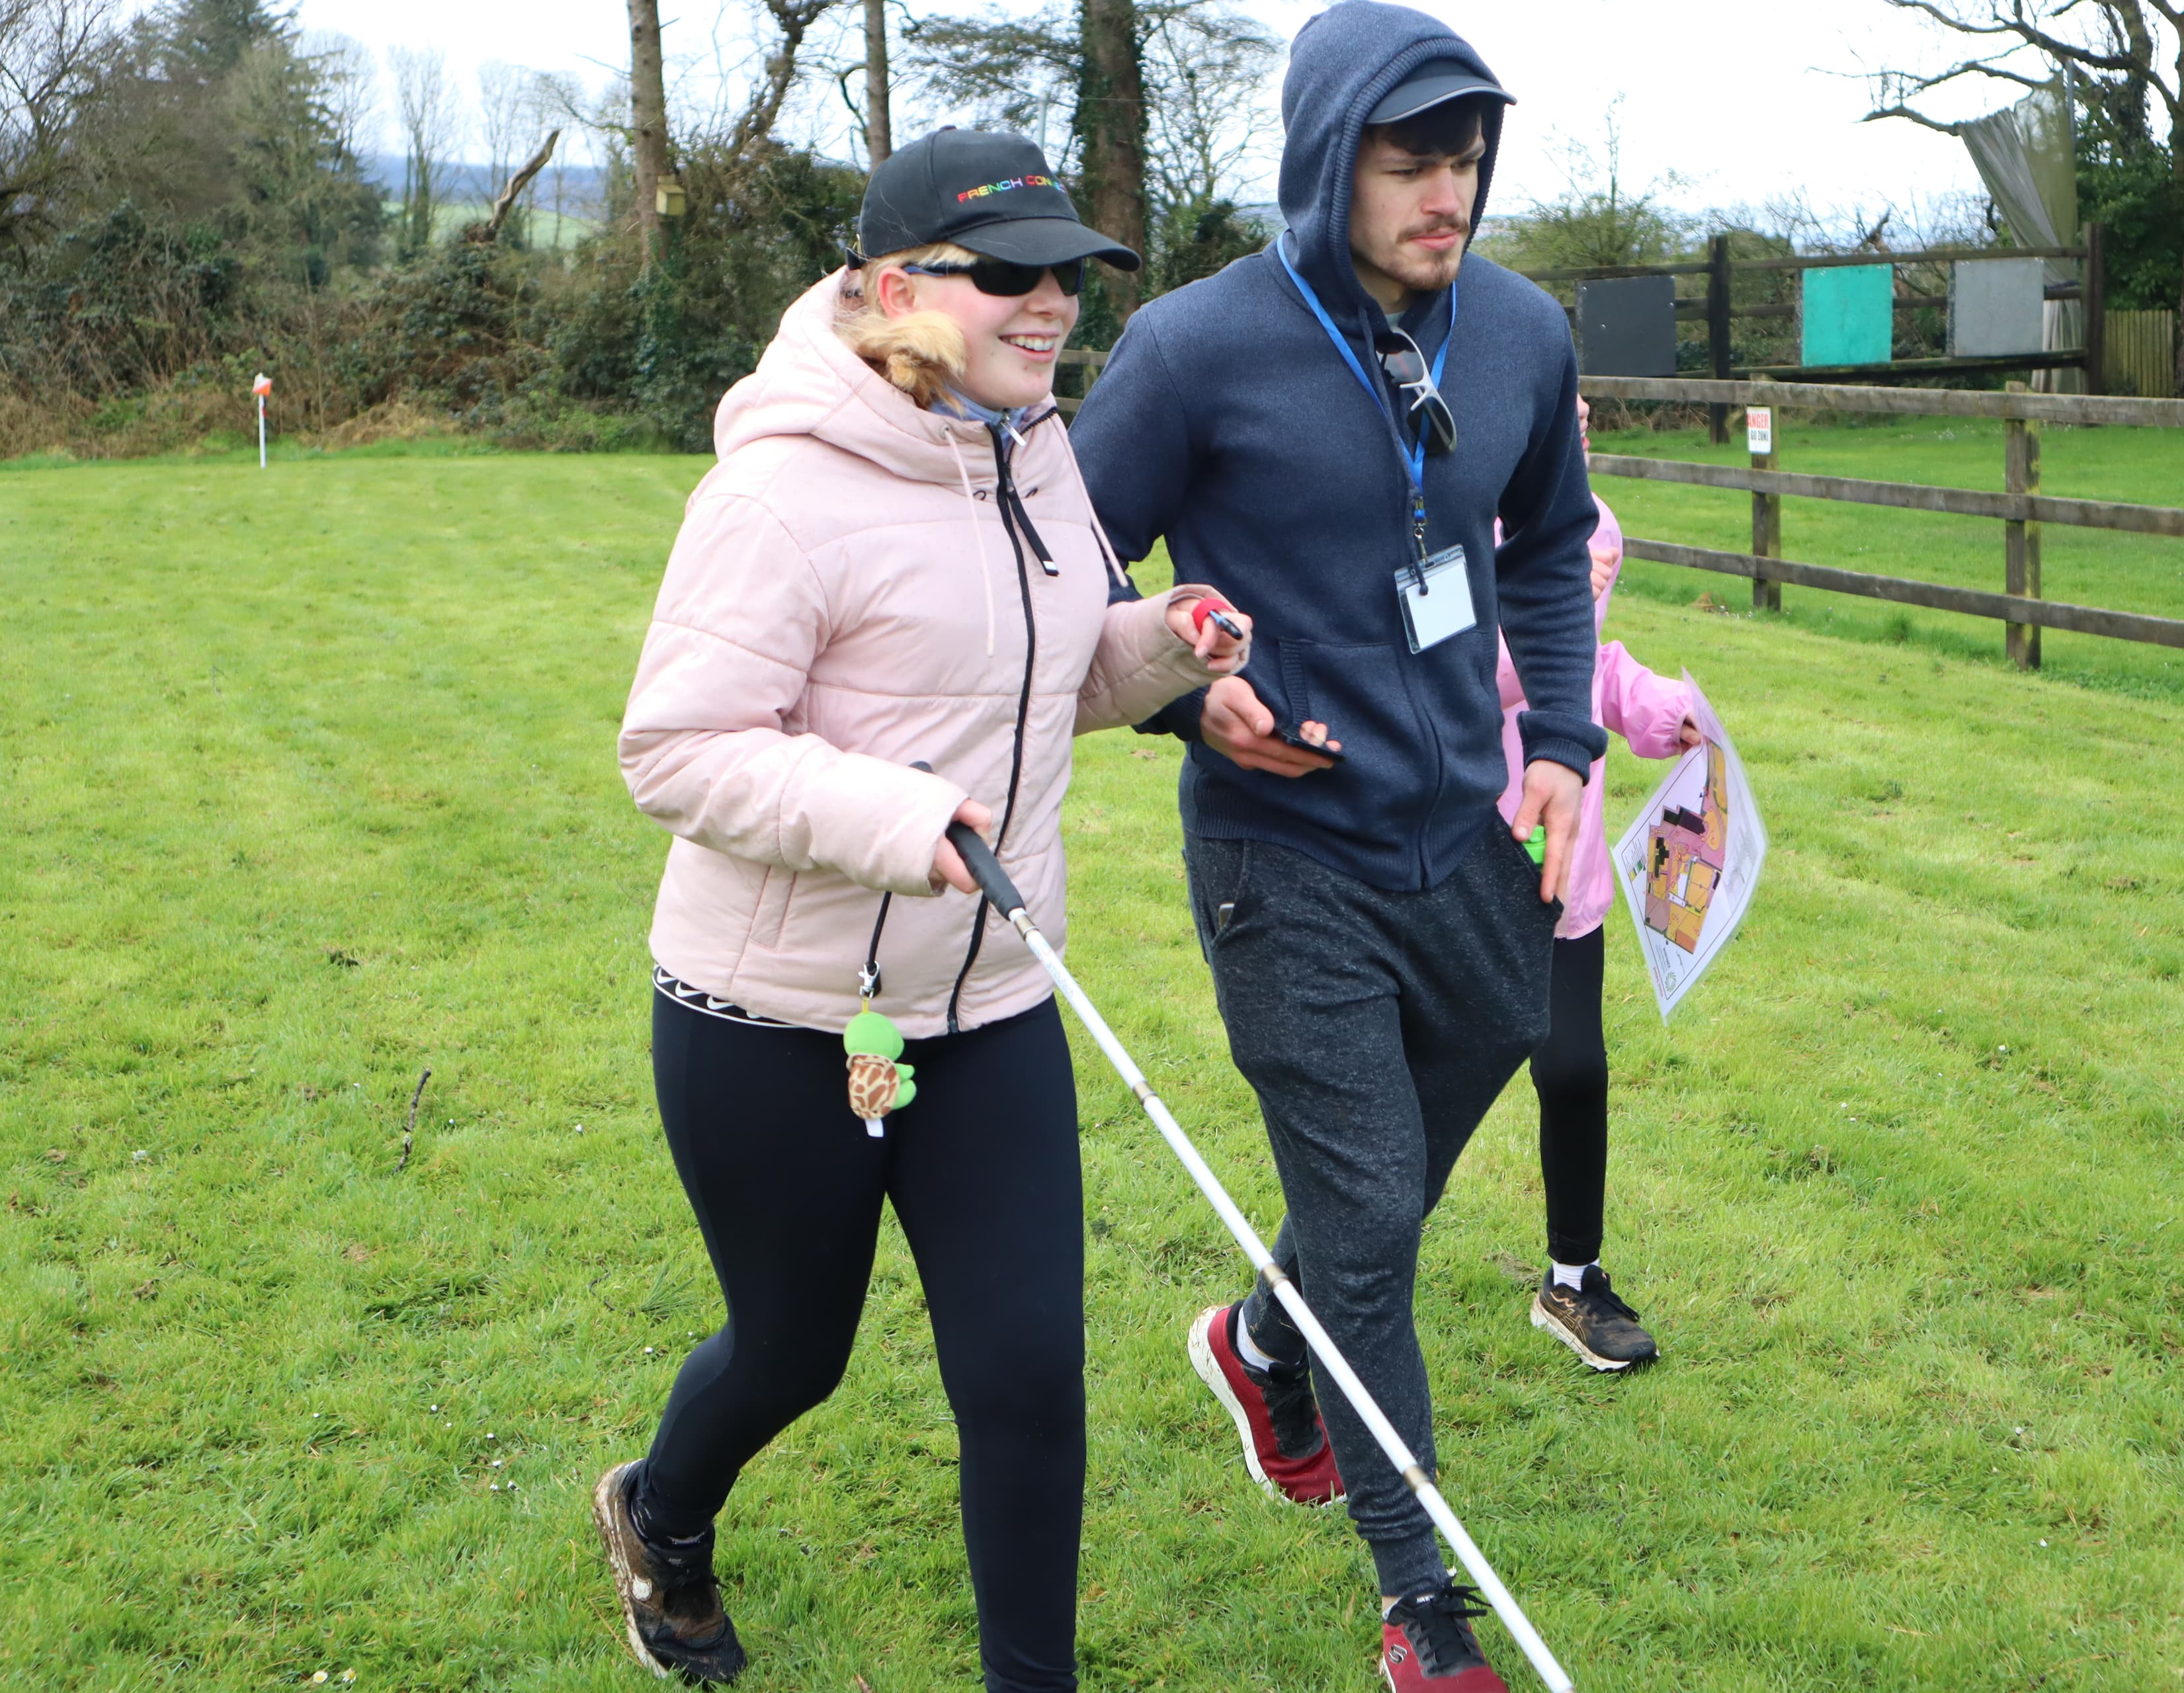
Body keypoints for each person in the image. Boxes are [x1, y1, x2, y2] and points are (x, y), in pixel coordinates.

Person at [595, 129, 1251, 1690]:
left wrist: (1170, 638)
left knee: (1029, 1375)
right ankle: (661, 1511)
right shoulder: (780, 487)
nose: (1049, 307)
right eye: (1006, 274)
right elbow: (674, 749)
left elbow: (1058, 672)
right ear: (894, 288)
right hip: (784, 1019)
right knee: (793, 1350)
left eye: (1068, 278)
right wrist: (901, 816)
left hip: (990, 1002)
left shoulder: (1038, 449)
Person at [1069, 7, 1603, 1687]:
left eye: (1465, 162)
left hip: (1466, 830)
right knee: (1367, 1209)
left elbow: (1548, 543)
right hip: (1279, 847)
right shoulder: (1193, 346)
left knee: (1502, 1044)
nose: (1447, 195)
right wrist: (1180, 703)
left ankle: (1256, 1335)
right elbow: (1069, 570)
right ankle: (1421, 1600)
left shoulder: (1520, 332)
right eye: (1409, 161)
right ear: (1325, 160)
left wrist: (1569, 744)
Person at [1497, 399, 1703, 1372]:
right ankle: (1320, 1296)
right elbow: (1450, 669)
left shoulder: (1597, 531)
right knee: (1403, 1101)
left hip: (1564, 871)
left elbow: (1586, 669)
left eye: (1576, 402)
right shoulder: (1436, 522)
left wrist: (1663, 711)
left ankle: (1572, 1282)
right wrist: (1534, 605)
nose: (1573, 416)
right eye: (1549, 404)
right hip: (1453, 862)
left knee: (1575, 1068)